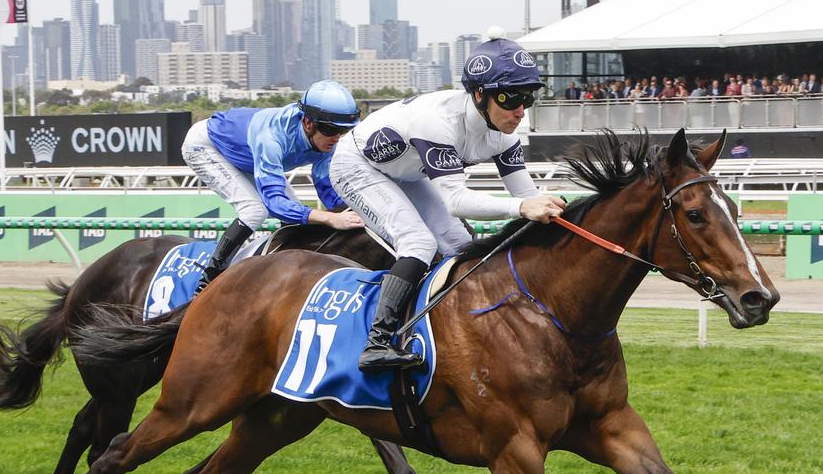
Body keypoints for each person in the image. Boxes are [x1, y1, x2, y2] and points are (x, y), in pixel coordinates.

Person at [330, 29, 565, 371]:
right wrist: (522, 207)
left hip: (407, 172)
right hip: (356, 165)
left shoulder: (505, 134)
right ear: (481, 94)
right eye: (511, 100)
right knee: (419, 242)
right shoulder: (439, 122)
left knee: (460, 243)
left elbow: (529, 196)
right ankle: (377, 343)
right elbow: (457, 201)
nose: (520, 111)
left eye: (527, 99)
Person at [182, 80, 365, 293]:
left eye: (342, 131)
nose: (335, 138)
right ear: (308, 123)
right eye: (330, 129)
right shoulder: (271, 138)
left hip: (248, 156)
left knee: (296, 218)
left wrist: (348, 215)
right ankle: (209, 279)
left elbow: (327, 190)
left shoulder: (326, 141)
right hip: (205, 147)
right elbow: (275, 204)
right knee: (254, 210)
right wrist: (329, 218)